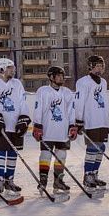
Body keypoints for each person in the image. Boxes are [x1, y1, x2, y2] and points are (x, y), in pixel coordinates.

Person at [0, 58, 30, 196]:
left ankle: (9, 180)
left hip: (15, 125)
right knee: (0, 153)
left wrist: (24, 118)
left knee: (13, 153)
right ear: (1, 69)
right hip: (0, 126)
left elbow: (23, 103)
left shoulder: (17, 84)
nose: (13, 70)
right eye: (10, 67)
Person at [32, 66, 77, 194]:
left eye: (62, 75)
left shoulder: (67, 92)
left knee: (61, 155)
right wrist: (37, 125)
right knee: (46, 154)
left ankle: (58, 181)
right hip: (47, 130)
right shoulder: (43, 91)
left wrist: (72, 125)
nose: (61, 78)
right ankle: (43, 180)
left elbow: (71, 110)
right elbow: (38, 109)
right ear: (51, 77)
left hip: (62, 131)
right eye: (58, 75)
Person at [74, 55, 109, 190]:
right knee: (92, 148)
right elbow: (79, 101)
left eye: (102, 65)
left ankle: (95, 174)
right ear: (90, 66)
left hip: (102, 119)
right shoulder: (83, 82)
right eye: (97, 65)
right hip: (90, 120)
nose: (100, 68)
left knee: (101, 147)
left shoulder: (103, 82)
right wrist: (79, 120)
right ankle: (87, 175)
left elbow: (105, 100)